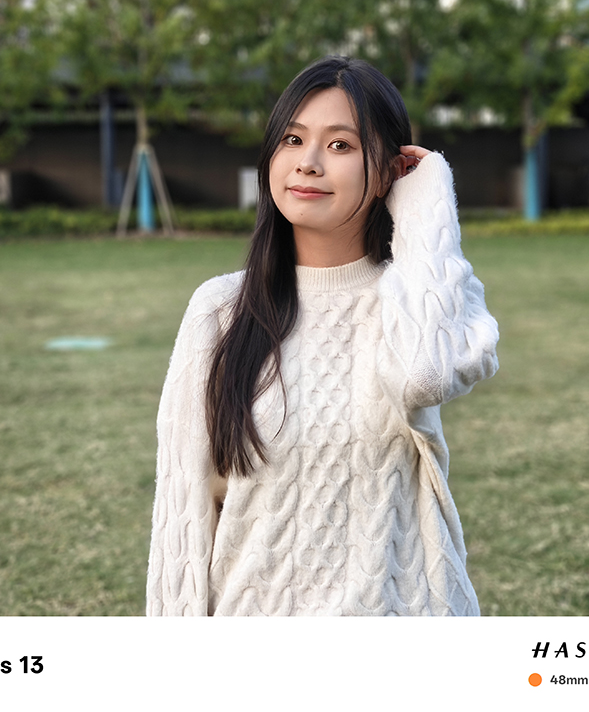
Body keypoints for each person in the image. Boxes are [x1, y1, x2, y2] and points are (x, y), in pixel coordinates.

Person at [146, 56, 499, 616]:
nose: (307, 163)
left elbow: (423, 375)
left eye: (340, 145)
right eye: (292, 139)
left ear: (386, 172)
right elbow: (184, 512)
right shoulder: (220, 311)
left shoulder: (418, 301)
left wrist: (427, 200)